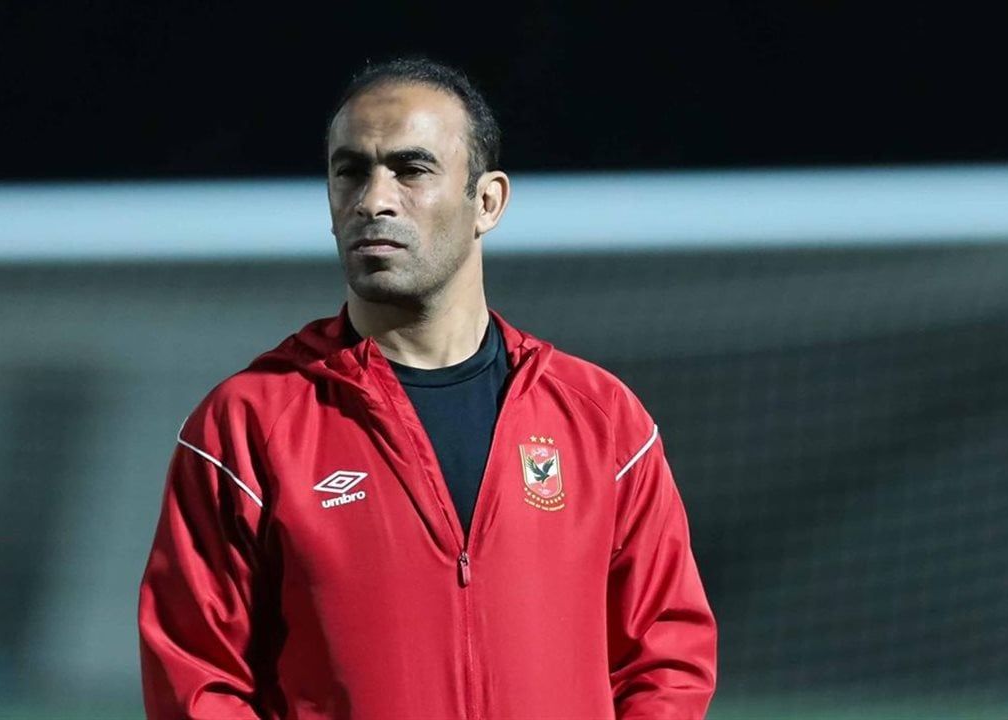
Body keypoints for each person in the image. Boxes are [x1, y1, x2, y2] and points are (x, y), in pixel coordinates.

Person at [138, 57, 717, 719]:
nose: (373, 200)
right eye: (350, 171)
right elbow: (197, 682)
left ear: (487, 202)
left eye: (411, 169)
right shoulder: (246, 425)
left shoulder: (602, 420)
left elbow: (665, 656)